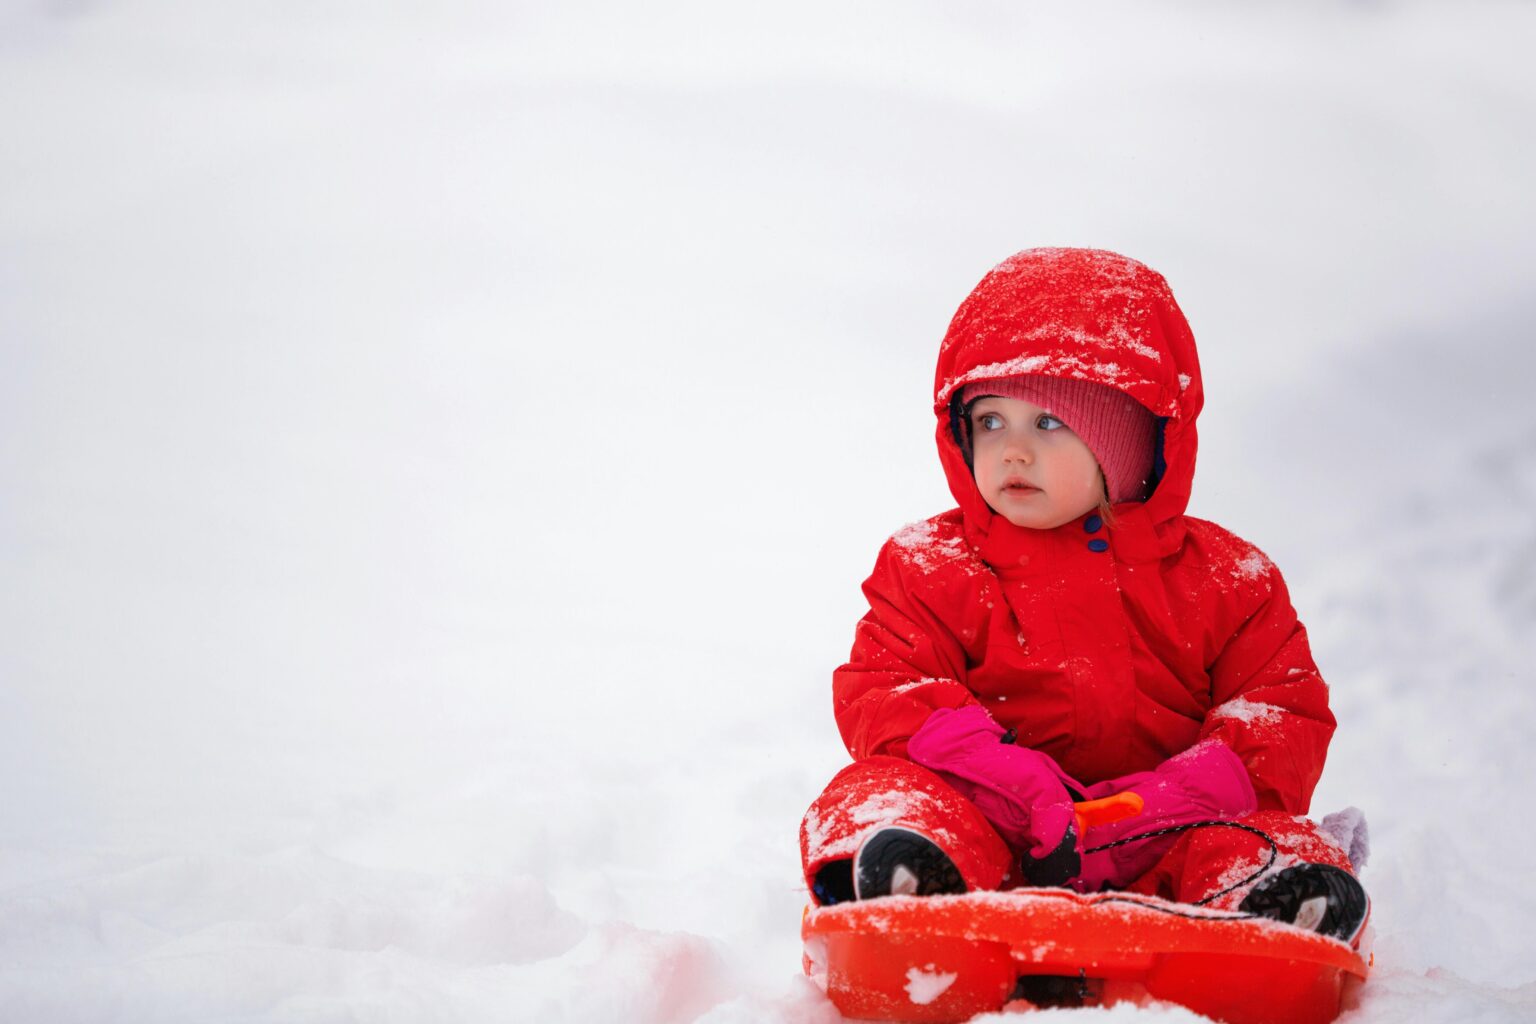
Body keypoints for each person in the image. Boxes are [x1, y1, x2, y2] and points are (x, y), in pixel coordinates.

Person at [799, 248, 1369, 945]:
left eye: (1048, 423)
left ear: (1134, 441)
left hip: (1175, 833)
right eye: (989, 421)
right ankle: (908, 883)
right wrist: (1008, 781)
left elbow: (1280, 713)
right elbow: (890, 690)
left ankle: (1273, 905)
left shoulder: (1229, 579)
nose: (1012, 451)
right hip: (996, 827)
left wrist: (1167, 800)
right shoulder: (930, 566)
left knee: (1265, 835)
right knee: (877, 794)